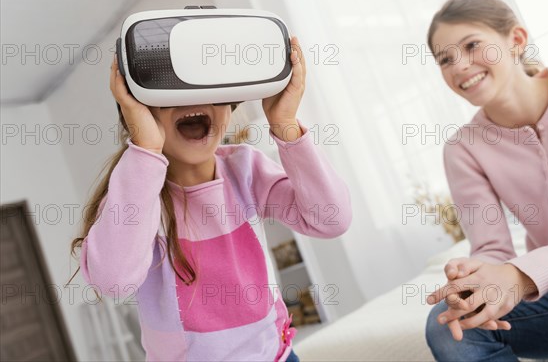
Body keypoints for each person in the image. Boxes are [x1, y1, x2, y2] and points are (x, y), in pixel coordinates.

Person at [69, 37, 352, 361]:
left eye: (210, 91)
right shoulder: (138, 195)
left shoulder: (244, 168)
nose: (193, 99)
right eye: (171, 91)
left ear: (230, 107)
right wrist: (145, 150)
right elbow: (113, 282)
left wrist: (285, 124)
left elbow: (331, 219)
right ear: (142, 110)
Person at [423, 0, 548, 361]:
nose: (460, 66)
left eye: (472, 45)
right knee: (449, 327)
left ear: (516, 40)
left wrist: (520, 275)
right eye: (445, 59)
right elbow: (492, 249)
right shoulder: (463, 148)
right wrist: (474, 276)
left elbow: (523, 272)